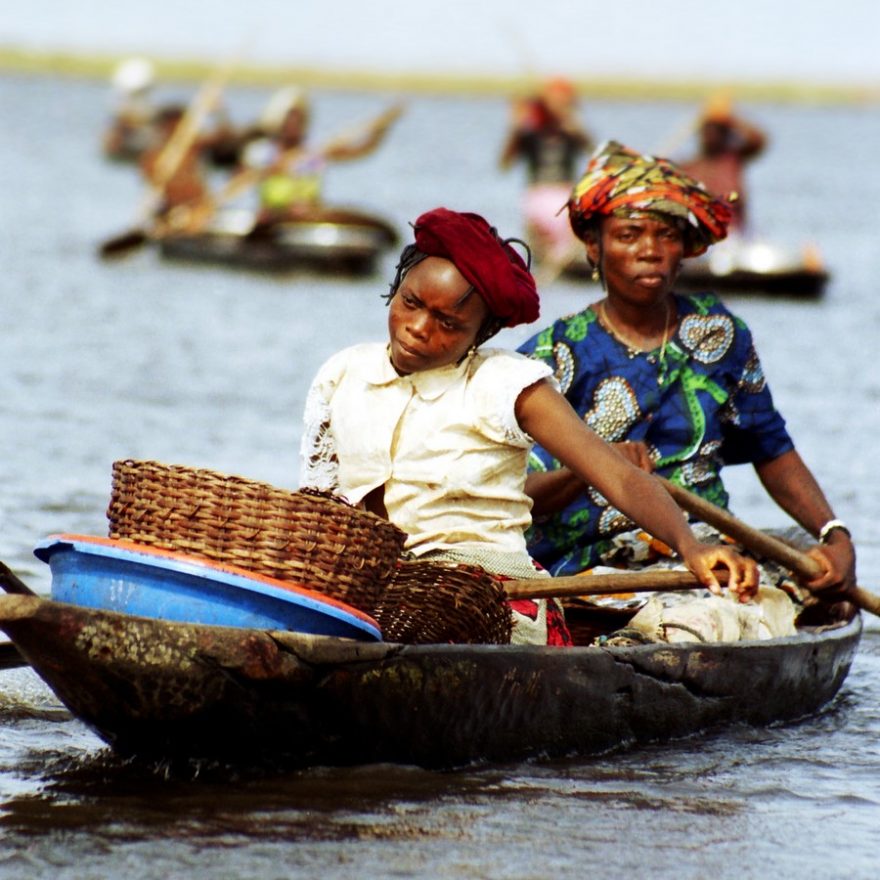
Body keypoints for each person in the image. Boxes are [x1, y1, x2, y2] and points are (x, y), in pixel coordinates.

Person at [299, 206, 757, 646]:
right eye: (410, 302)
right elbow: (322, 499)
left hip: (486, 595)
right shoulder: (344, 373)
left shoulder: (507, 383)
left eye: (448, 323)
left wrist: (690, 546)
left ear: (481, 333)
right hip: (383, 591)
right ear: (397, 287)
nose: (418, 327)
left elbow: (617, 475)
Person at [517, 141, 855, 642]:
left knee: (822, 575)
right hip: (589, 559)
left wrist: (835, 535)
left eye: (666, 234)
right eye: (629, 234)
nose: (649, 250)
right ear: (594, 245)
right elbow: (516, 492)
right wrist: (594, 463)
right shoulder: (550, 354)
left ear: (685, 246)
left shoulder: (721, 335)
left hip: (708, 547)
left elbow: (772, 447)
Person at [235, 86, 403, 229]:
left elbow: (363, 149)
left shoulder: (316, 151)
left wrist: (382, 126)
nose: (293, 126)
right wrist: (269, 171)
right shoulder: (261, 153)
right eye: (289, 120)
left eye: (298, 121)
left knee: (310, 212)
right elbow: (239, 179)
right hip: (273, 217)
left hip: (310, 214)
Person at [499, 77, 593, 266]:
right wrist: (515, 127)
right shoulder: (531, 133)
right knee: (546, 240)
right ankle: (551, 257)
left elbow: (591, 151)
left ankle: (564, 259)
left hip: (564, 195)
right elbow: (505, 163)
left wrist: (572, 123)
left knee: (571, 232)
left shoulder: (570, 131)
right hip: (538, 194)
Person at [679, 94, 766, 232]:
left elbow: (758, 140)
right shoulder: (688, 167)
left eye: (718, 131)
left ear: (726, 134)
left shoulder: (733, 159)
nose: (711, 136)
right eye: (708, 131)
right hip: (703, 236)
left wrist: (727, 117)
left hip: (735, 235)